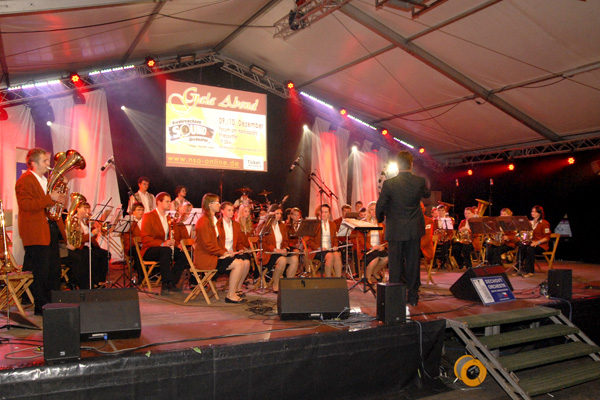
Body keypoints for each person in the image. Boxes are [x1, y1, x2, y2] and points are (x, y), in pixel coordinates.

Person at [15, 148, 67, 315]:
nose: (48, 164)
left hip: (49, 228)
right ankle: (42, 307)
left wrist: (59, 197)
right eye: (44, 161)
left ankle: (52, 304)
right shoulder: (25, 180)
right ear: (34, 163)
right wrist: (49, 198)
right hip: (36, 231)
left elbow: (50, 204)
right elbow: (26, 205)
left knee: (54, 270)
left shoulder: (46, 180)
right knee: (41, 272)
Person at [376, 151, 431, 306]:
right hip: (413, 229)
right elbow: (427, 194)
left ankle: (395, 298)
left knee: (395, 264)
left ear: (398, 165)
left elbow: (380, 205)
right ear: (411, 164)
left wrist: (380, 219)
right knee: (413, 263)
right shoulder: (419, 181)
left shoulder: (389, 184)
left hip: (395, 230)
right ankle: (413, 297)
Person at [194, 193, 247, 303]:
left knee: (241, 262)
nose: (219, 204)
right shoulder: (203, 221)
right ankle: (230, 295)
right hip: (206, 258)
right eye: (217, 202)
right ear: (210, 204)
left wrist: (226, 252)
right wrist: (223, 253)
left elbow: (215, 243)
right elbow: (207, 245)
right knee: (238, 264)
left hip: (213, 255)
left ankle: (233, 293)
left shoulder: (212, 219)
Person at [140, 192, 187, 295]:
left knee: (184, 254)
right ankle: (166, 283)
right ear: (159, 202)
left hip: (165, 249)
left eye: (170, 201)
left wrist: (177, 244)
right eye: (167, 201)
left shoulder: (168, 217)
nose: (169, 203)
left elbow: (171, 236)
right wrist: (162, 244)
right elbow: (145, 238)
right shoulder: (148, 216)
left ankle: (172, 282)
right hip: (150, 249)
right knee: (165, 251)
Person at [67, 202, 110, 289]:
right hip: (79, 247)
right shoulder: (74, 221)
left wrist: (94, 227)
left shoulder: (85, 221)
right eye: (85, 208)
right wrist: (91, 233)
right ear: (78, 209)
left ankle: (100, 280)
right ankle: (92, 282)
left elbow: (91, 238)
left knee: (106, 254)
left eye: (88, 208)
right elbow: (79, 239)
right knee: (92, 256)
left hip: (89, 246)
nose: (88, 211)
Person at [261, 207, 299, 292]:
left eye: (280, 214)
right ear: (271, 214)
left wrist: (285, 248)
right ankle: (276, 284)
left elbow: (285, 241)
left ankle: (288, 284)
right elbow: (263, 244)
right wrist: (276, 250)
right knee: (282, 260)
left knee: (294, 259)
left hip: (280, 252)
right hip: (269, 253)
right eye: (277, 213)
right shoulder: (266, 226)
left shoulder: (282, 226)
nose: (279, 215)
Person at [216, 202, 251, 296]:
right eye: (229, 210)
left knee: (247, 262)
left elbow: (238, 242)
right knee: (240, 263)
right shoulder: (217, 224)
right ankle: (232, 292)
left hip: (233, 253)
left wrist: (240, 249)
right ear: (222, 211)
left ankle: (237, 288)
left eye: (232, 210)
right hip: (221, 255)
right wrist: (225, 252)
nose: (231, 212)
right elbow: (215, 243)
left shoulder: (236, 224)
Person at [307, 204, 343, 277]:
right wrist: (319, 248)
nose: (323, 214)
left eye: (326, 212)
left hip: (329, 249)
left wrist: (335, 246)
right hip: (317, 250)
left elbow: (335, 238)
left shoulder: (332, 224)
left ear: (329, 214)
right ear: (319, 213)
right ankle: (327, 279)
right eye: (322, 212)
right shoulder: (315, 225)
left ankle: (338, 279)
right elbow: (310, 241)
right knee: (330, 256)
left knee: (337, 255)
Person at [357, 201, 388, 284]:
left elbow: (385, 240)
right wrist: (371, 247)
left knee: (386, 258)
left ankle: (374, 272)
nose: (374, 212)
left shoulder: (381, 224)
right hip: (367, 249)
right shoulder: (363, 223)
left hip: (378, 248)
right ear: (368, 211)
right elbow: (361, 239)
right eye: (371, 210)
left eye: (375, 209)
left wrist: (383, 247)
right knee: (375, 258)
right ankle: (367, 278)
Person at [517, 205, 551, 277]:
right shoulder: (530, 222)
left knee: (530, 249)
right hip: (531, 243)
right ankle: (519, 268)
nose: (533, 213)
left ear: (539, 213)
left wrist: (537, 242)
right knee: (522, 247)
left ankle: (530, 271)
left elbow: (547, 237)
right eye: (532, 211)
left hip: (541, 245)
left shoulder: (544, 223)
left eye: (535, 212)